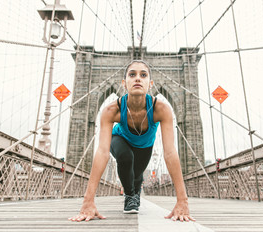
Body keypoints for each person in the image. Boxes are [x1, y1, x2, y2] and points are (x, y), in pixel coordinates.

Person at [68, 60, 195, 222]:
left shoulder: (161, 109)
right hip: (119, 139)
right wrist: (88, 201)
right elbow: (102, 152)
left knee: (136, 176)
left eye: (143, 75)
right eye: (132, 74)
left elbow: (170, 152)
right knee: (126, 157)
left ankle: (135, 190)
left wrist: (182, 201)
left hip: (145, 146)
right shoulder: (111, 110)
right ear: (124, 83)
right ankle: (130, 196)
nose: (137, 78)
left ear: (150, 84)